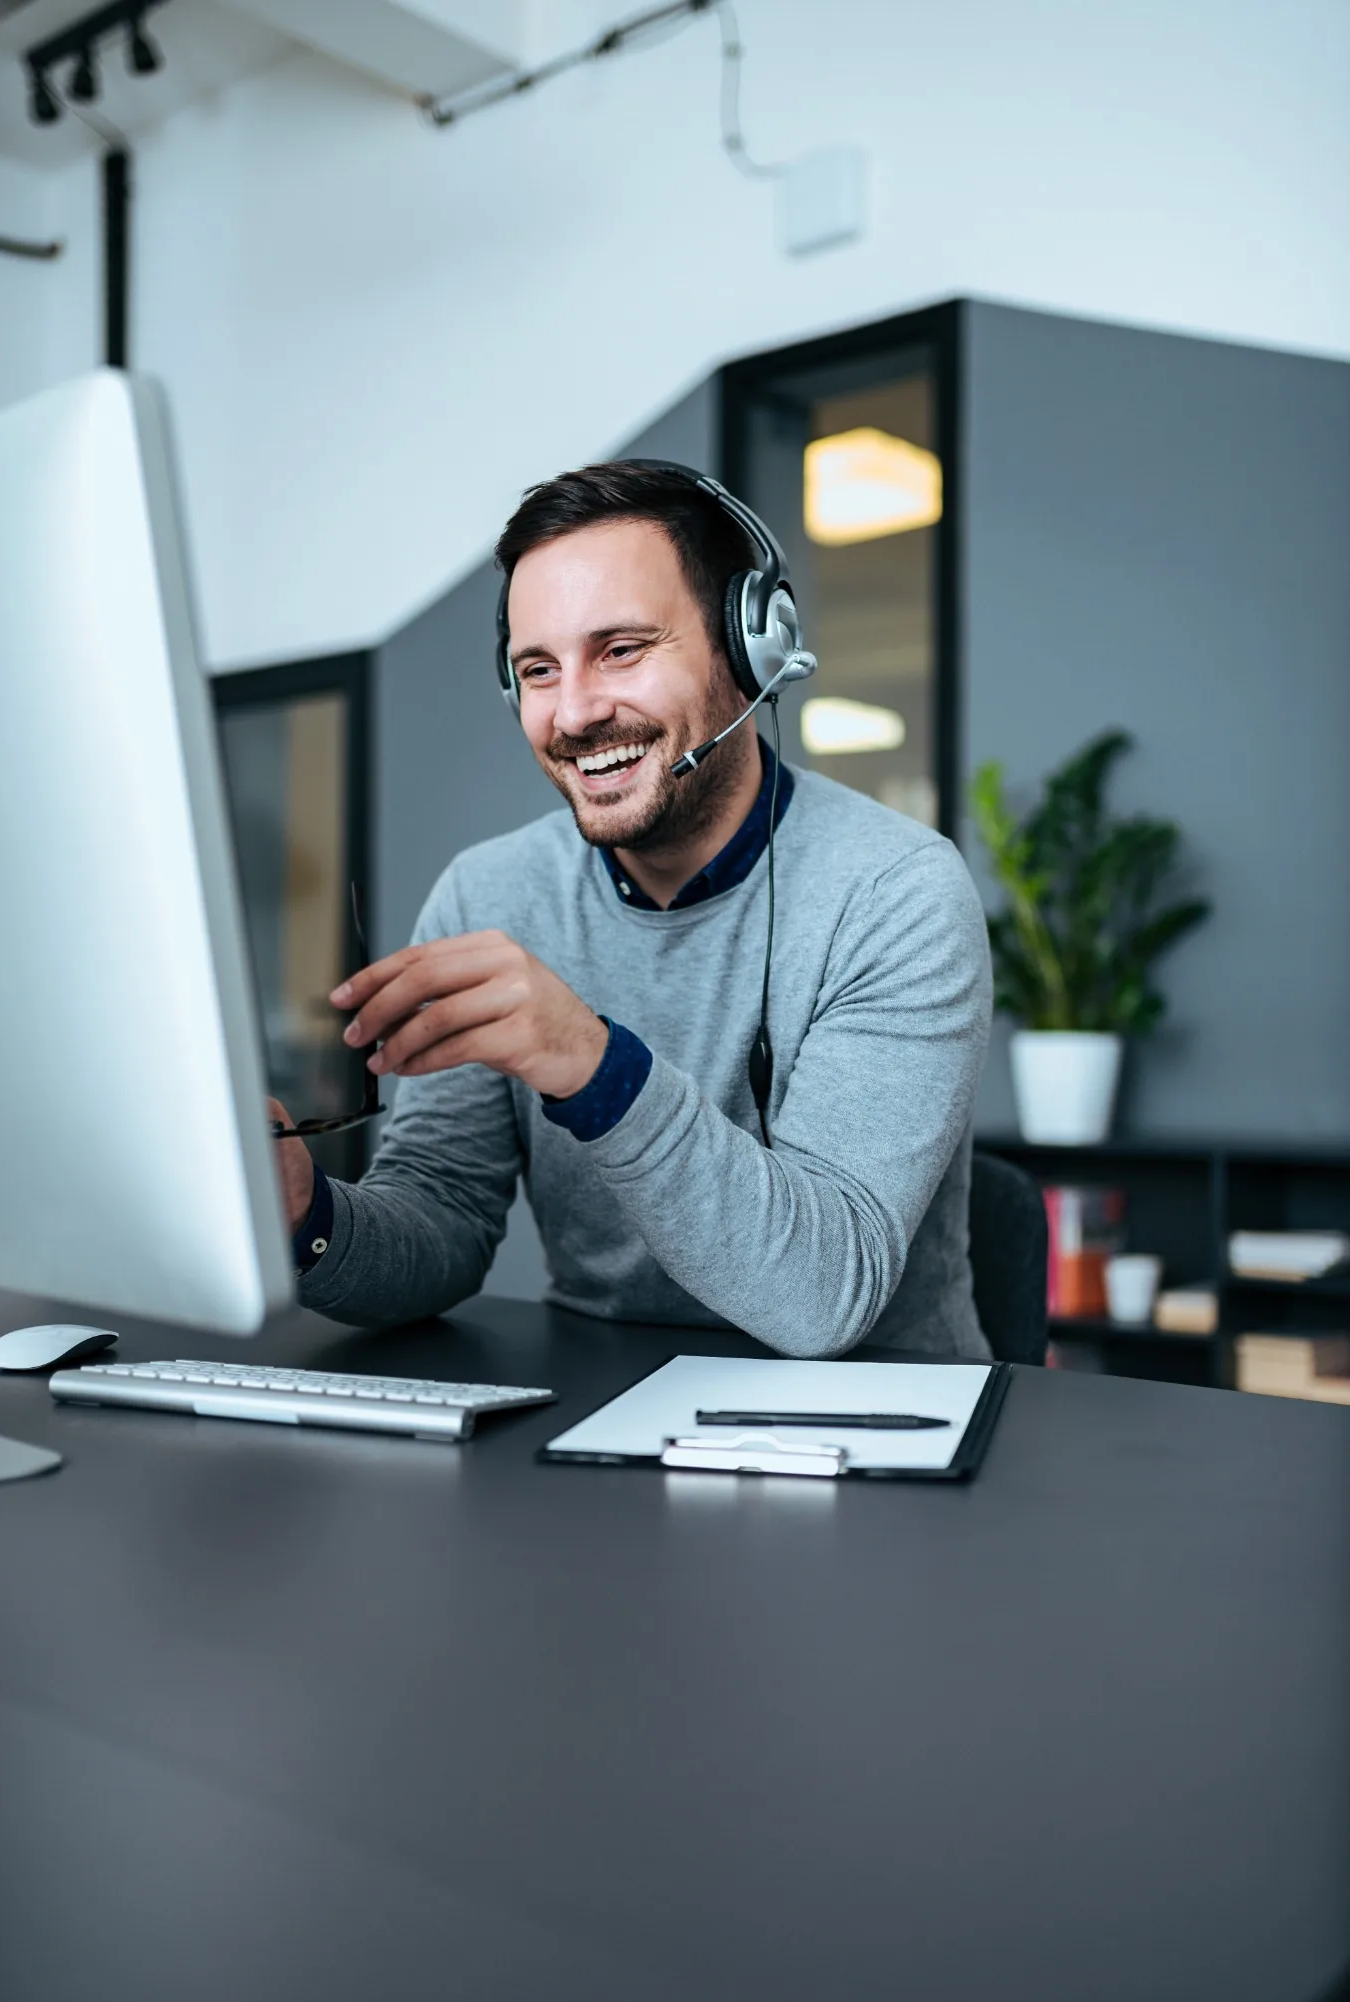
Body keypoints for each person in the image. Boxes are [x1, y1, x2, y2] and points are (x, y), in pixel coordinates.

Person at [273, 461, 993, 1358]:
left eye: (621, 650)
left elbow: (822, 1295)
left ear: (749, 649)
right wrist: (308, 1211)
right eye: (538, 669)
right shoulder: (487, 891)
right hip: (596, 1402)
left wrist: (589, 1060)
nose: (573, 713)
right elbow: (442, 1220)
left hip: (880, 1433)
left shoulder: (895, 891)